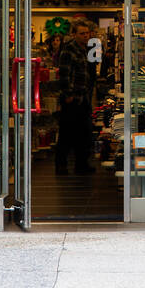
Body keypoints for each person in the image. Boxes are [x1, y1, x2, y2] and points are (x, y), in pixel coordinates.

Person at [55, 20, 97, 175]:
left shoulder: (86, 49)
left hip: (83, 96)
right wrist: (68, 95)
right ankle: (61, 165)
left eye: (87, 33)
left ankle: (81, 164)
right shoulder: (69, 49)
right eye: (82, 33)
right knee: (67, 133)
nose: (86, 36)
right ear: (74, 34)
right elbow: (64, 74)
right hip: (72, 98)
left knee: (84, 133)